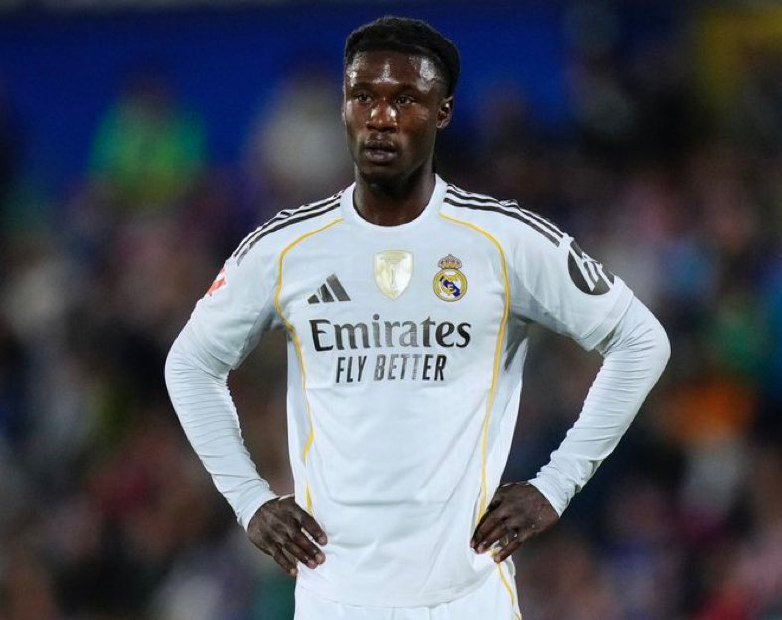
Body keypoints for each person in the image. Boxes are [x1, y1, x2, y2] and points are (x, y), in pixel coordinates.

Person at [165, 16, 670, 619]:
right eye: (363, 96)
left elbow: (641, 340)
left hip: (467, 597)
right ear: (343, 107)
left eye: (405, 99)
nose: (380, 117)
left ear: (443, 112)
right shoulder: (286, 248)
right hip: (334, 598)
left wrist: (556, 485)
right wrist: (248, 499)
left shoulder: (503, 241)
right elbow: (190, 364)